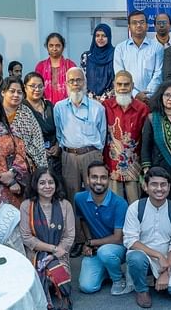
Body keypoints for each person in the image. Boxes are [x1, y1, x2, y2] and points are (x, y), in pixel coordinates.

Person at [54, 67, 106, 250]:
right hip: (69, 156)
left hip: (91, 154)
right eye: (71, 81)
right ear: (66, 84)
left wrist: (95, 154)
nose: (75, 84)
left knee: (95, 195)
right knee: (72, 198)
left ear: (85, 82)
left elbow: (103, 134)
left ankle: (96, 239)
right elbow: (59, 134)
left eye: (79, 80)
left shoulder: (97, 108)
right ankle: (76, 239)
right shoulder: (59, 108)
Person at [124, 166, 171, 307]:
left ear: (169, 187)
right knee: (136, 258)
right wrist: (158, 256)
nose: (159, 189)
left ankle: (158, 279)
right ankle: (141, 290)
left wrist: (166, 271)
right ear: (145, 186)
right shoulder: (135, 208)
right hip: (143, 256)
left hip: (168, 259)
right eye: (154, 184)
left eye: (163, 184)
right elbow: (131, 241)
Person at [20, 167, 75, 309]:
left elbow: (69, 236)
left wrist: (56, 253)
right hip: (36, 254)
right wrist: (52, 249)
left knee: (58, 273)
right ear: (35, 185)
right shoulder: (27, 206)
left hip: (60, 253)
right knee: (36, 277)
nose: (47, 186)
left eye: (51, 182)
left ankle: (62, 295)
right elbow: (26, 237)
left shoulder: (65, 205)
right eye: (42, 183)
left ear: (56, 185)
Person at [74, 160, 130, 295]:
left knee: (105, 252)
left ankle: (118, 279)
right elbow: (83, 221)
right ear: (87, 179)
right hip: (96, 248)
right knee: (87, 287)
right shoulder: (79, 198)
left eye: (103, 177)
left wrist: (90, 243)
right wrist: (89, 240)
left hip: (117, 249)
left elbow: (118, 238)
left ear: (109, 179)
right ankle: (106, 270)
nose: (98, 181)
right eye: (94, 177)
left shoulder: (120, 203)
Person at [103, 70, 150, 204]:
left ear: (132, 85)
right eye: (119, 84)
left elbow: (146, 139)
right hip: (112, 166)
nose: (123, 88)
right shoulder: (106, 106)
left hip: (134, 167)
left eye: (126, 84)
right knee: (114, 206)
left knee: (135, 206)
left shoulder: (142, 109)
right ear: (114, 85)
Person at [141, 80, 171, 204]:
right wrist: (147, 172)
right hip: (159, 171)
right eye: (167, 95)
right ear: (161, 97)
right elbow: (145, 147)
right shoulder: (152, 119)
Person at [113, 11, 165, 103]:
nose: (138, 25)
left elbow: (158, 74)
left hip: (151, 99)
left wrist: (147, 95)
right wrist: (135, 94)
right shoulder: (120, 48)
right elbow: (119, 74)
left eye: (142, 22)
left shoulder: (157, 47)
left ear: (147, 25)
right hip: (127, 97)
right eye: (134, 23)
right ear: (129, 27)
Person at [1, 76, 48, 170]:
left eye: (19, 92)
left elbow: (38, 142)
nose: (16, 95)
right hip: (0, 164)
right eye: (12, 91)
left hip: (27, 166)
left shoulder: (26, 113)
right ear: (3, 92)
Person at [23, 73, 61, 178]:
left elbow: (60, 129)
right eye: (33, 86)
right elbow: (20, 139)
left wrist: (58, 146)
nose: (37, 89)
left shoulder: (49, 105)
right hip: (35, 161)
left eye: (40, 86)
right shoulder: (21, 109)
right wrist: (39, 151)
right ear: (25, 87)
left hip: (55, 158)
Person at [35, 33, 78, 104]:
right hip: (45, 106)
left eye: (57, 45)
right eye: (51, 45)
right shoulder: (41, 66)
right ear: (47, 47)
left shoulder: (70, 65)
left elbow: (76, 88)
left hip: (68, 105)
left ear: (63, 47)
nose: (54, 49)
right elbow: (36, 87)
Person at [80, 23, 115, 101]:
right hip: (90, 100)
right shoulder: (86, 56)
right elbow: (83, 79)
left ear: (109, 37)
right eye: (97, 35)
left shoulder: (115, 54)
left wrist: (104, 98)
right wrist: (92, 97)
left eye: (104, 36)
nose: (100, 38)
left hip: (110, 100)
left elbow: (116, 78)